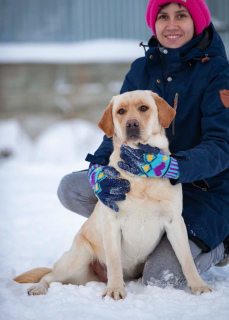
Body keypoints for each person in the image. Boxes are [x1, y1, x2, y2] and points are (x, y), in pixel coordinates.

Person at [58, 0, 229, 288]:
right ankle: (146, 234)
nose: (171, 24)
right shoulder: (141, 69)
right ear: (154, 24)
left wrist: (173, 166)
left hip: (203, 191)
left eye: (181, 15)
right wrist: (98, 170)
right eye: (163, 17)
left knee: (161, 278)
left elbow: (223, 145)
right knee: (71, 188)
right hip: (144, 180)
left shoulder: (218, 72)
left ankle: (220, 244)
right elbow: (116, 131)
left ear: (197, 22)